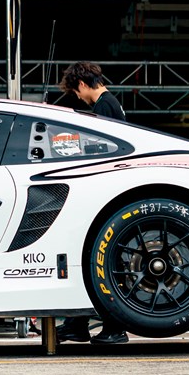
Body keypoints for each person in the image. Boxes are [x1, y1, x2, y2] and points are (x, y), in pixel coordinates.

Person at [57, 62, 129, 346]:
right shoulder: (111, 105)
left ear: (84, 85)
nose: (78, 97)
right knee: (95, 260)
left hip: (107, 194)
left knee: (102, 262)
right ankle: (77, 325)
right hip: (112, 194)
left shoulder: (104, 108)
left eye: (77, 92)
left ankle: (114, 328)